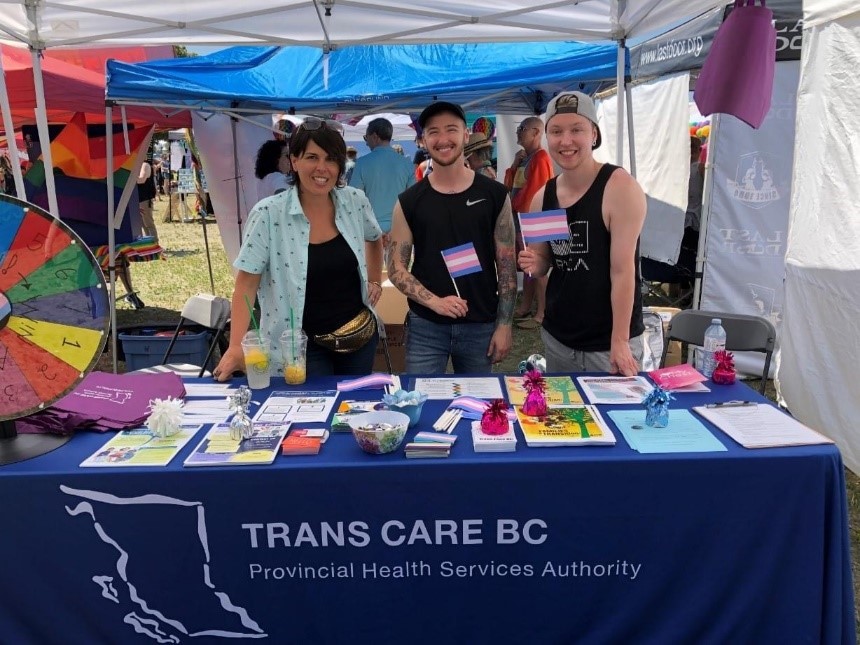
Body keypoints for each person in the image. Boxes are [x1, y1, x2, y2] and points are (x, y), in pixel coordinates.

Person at [213, 117, 384, 380]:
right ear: (294, 161)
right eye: (312, 157)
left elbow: (374, 237)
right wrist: (236, 347)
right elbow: (246, 284)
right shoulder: (269, 214)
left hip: (358, 338)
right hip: (300, 348)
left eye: (331, 158)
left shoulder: (354, 201)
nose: (322, 168)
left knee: (351, 414)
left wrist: (374, 279)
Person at [518, 91, 646, 376]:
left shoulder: (619, 188)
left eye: (577, 129)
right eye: (556, 131)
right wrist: (534, 262)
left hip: (608, 344)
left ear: (594, 134)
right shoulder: (543, 197)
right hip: (558, 338)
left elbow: (623, 271)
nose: (566, 141)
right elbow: (546, 261)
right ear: (546, 137)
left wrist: (620, 340)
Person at [387, 101, 516, 373]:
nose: (443, 139)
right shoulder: (409, 201)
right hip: (426, 328)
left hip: (480, 324)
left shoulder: (494, 194)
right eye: (433, 131)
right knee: (420, 404)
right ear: (423, 140)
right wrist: (434, 302)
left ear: (465, 135)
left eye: (451, 130)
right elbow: (396, 267)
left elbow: (506, 266)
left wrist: (504, 325)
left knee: (479, 408)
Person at [504, 115, 554, 329]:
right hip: (523, 218)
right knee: (527, 265)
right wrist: (515, 164)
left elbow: (534, 194)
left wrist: (512, 208)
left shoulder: (541, 158)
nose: (518, 132)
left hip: (533, 219)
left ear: (536, 132)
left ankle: (542, 313)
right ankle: (526, 307)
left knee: (537, 264)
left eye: (522, 128)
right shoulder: (526, 158)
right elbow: (507, 185)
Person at [348, 118, 415, 237]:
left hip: (371, 228)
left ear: (374, 136)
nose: (366, 143)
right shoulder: (407, 164)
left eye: (366, 137)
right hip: (399, 228)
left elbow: (354, 197)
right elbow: (413, 200)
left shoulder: (362, 163)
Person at [136, 157, 159, 243]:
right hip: (139, 199)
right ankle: (149, 243)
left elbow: (141, 180)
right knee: (142, 224)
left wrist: (129, 178)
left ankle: (155, 242)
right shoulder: (138, 165)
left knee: (148, 223)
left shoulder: (145, 165)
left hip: (145, 199)